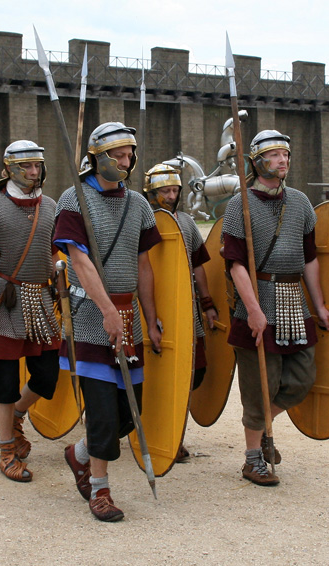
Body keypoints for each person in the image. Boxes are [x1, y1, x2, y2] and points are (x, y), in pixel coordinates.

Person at [54, 122, 162, 521]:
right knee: (101, 412)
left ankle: (78, 454)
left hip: (128, 319)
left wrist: (150, 320)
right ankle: (100, 491)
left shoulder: (138, 204)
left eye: (129, 154)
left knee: (123, 418)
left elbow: (143, 266)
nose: (126, 161)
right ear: (98, 158)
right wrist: (106, 311)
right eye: (118, 155)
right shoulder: (73, 199)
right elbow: (78, 260)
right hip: (89, 317)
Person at [221, 130, 329, 486]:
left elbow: (310, 259)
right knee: (258, 386)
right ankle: (253, 459)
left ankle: (265, 429)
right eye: (274, 155)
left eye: (286, 154)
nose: (283, 160)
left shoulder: (299, 202)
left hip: (292, 301)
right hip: (257, 299)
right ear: (257, 162)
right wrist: (252, 309)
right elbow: (235, 263)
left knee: (301, 378)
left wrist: (319, 305)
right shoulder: (239, 205)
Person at [0, 140, 60, 482]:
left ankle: (17, 415)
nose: (34, 172)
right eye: (26, 167)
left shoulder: (49, 206)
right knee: (4, 380)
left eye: (37, 166)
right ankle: (6, 449)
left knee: (47, 376)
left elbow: (53, 251)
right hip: (5, 303)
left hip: (41, 301)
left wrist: (59, 271)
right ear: (10, 170)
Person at [143, 163, 219, 461]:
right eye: (165, 190)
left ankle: (173, 431)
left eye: (175, 190)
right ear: (152, 192)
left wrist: (207, 302)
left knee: (194, 372)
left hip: (185, 307)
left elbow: (198, 265)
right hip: (152, 306)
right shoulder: (141, 221)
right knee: (156, 374)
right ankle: (158, 434)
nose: (171, 195)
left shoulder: (186, 223)